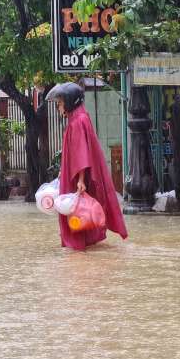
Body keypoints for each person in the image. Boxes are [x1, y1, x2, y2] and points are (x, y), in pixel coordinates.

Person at [46, 82, 128, 252]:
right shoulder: (78, 117)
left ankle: (79, 250)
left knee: (75, 212)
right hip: (76, 173)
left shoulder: (79, 121)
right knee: (80, 213)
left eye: (60, 103)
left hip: (79, 176)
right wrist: (65, 168)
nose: (59, 107)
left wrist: (81, 179)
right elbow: (75, 150)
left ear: (69, 102)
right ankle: (88, 248)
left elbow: (81, 152)